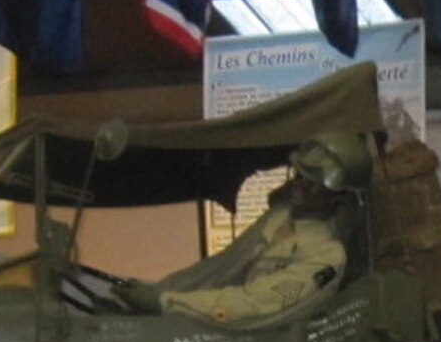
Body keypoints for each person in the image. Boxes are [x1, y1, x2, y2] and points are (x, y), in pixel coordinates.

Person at [120, 133, 367, 328]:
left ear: (339, 199)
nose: (298, 186)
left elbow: (255, 304)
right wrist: (157, 293)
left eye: (312, 184)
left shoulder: (326, 257)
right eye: (300, 176)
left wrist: (169, 303)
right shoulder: (280, 217)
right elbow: (221, 268)